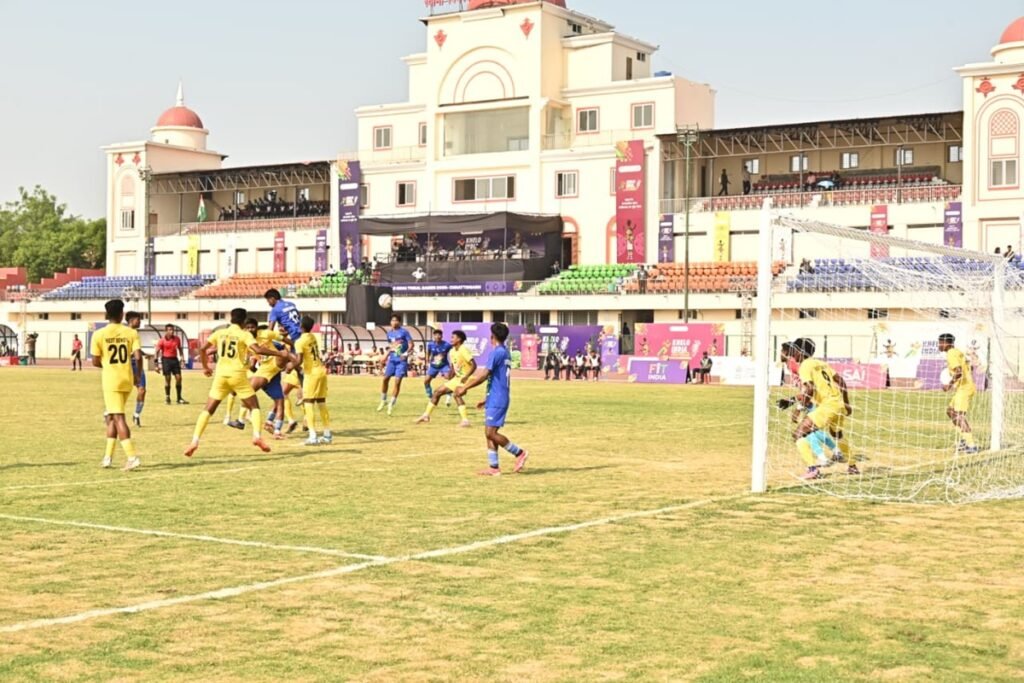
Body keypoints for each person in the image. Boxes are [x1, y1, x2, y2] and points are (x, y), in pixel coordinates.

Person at [183, 308, 287, 458]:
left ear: (231, 318)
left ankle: (194, 441)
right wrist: (278, 353)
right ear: (244, 321)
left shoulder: (220, 333)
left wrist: (205, 367)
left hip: (220, 376)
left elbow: (203, 349)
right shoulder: (244, 334)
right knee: (254, 407)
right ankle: (257, 436)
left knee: (208, 409)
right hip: (237, 375)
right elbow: (257, 349)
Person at [455, 323, 529, 476]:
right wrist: (487, 398)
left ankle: (519, 453)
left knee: (491, 433)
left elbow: (484, 375)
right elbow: (498, 378)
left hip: (498, 398)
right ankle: (494, 468)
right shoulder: (504, 352)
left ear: (492, 337)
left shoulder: (496, 353)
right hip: (495, 397)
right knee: (488, 432)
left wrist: (465, 387)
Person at [778, 338, 856, 480]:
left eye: (794, 351)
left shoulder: (804, 366)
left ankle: (813, 469)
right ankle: (852, 466)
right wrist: (846, 403)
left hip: (827, 406)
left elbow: (809, 388)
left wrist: (799, 408)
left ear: (801, 351)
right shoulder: (821, 363)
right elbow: (841, 381)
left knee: (798, 434)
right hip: (838, 404)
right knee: (837, 435)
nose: (792, 354)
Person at [91, 300, 143, 471]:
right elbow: (138, 357)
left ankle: (132, 457)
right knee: (112, 416)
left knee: (118, 417)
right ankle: (107, 457)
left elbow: (95, 361)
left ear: (106, 315)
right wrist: (137, 375)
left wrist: (107, 365)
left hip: (111, 381)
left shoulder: (99, 334)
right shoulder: (131, 332)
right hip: (126, 378)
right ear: (122, 314)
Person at [244, 320, 299, 440]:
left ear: (257, 328)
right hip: (265, 371)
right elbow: (254, 358)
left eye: (252, 327)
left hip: (274, 373)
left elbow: (285, 344)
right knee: (247, 393)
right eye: (247, 328)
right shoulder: (246, 340)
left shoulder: (267, 334)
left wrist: (295, 346)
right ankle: (245, 416)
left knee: (280, 401)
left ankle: (275, 429)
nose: (250, 330)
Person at [416, 330, 476, 427]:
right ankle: (426, 416)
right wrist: (451, 377)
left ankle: (465, 421)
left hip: (465, 379)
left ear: (459, 339)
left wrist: (466, 377)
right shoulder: (452, 351)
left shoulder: (463, 349)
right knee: (437, 392)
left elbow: (474, 365)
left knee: (457, 394)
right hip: (457, 378)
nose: (451, 339)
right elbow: (453, 367)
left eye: (453, 337)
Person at [295, 316, 333, 446]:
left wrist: (289, 366)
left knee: (308, 403)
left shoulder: (300, 341)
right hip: (321, 371)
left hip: (311, 374)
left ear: (301, 326)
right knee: (321, 403)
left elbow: (299, 360)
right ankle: (327, 434)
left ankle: (312, 436)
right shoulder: (312, 337)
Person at [938, 333, 978, 453]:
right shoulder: (957, 352)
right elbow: (969, 368)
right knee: (950, 411)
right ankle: (965, 440)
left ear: (946, 343)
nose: (939, 345)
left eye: (940, 343)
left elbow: (959, 371)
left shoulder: (951, 353)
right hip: (964, 387)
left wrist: (949, 385)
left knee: (959, 415)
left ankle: (971, 445)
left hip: (964, 388)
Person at [378, 314, 413, 416]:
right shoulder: (389, 333)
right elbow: (391, 346)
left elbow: (411, 344)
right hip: (392, 360)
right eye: (392, 320)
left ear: (399, 322)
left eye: (395, 320)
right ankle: (383, 400)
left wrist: (405, 353)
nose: (393, 322)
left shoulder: (404, 332)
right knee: (385, 379)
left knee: (397, 382)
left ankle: (391, 403)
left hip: (401, 361)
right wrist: (385, 355)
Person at [155, 325, 188, 405]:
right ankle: (167, 398)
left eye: (172, 330)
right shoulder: (162, 340)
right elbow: (156, 352)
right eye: (169, 330)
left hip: (174, 360)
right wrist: (156, 365)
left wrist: (182, 360)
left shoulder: (177, 339)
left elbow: (180, 349)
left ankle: (179, 398)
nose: (172, 331)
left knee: (179, 378)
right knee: (168, 378)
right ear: (166, 331)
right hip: (166, 360)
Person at [125, 312, 148, 427]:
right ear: (131, 320)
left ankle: (136, 414)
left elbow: (136, 350)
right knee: (122, 390)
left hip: (136, 364)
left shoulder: (135, 333)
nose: (140, 322)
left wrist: (145, 353)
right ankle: (110, 412)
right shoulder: (124, 332)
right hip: (126, 364)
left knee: (142, 390)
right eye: (138, 320)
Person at [423, 329, 453, 402]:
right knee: (426, 381)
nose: (438, 336)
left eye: (439, 335)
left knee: (449, 378)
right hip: (433, 366)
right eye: (436, 335)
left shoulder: (447, 345)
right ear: (434, 336)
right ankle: (429, 393)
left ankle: (449, 394)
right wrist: (427, 362)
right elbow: (428, 353)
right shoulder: (430, 344)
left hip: (444, 365)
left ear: (442, 336)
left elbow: (453, 351)